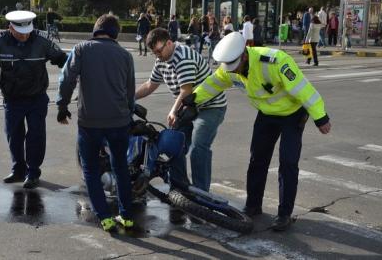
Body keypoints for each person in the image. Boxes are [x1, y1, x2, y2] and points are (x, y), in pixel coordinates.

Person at [192, 32, 331, 231]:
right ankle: (253, 205)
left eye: (236, 66)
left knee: (288, 162)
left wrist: (320, 117)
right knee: (257, 159)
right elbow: (212, 85)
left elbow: (304, 89)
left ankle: (284, 214)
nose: (235, 71)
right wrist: (192, 100)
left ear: (245, 55)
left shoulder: (275, 61)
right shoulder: (230, 68)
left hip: (292, 114)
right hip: (266, 115)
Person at [56, 14, 135, 232]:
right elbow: (130, 93)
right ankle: (127, 216)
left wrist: (62, 107)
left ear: (95, 29)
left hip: (90, 122)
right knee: (121, 167)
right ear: (115, 33)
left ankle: (105, 217)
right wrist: (128, 116)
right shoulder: (125, 55)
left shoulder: (82, 49)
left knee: (90, 169)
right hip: (119, 122)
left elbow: (67, 79)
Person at [135, 27, 227, 192]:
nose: (158, 56)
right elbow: (150, 85)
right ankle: (181, 188)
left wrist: (173, 111)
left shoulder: (182, 57)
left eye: (159, 51)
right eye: (155, 53)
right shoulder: (161, 60)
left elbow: (186, 90)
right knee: (173, 145)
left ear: (169, 43)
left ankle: (201, 193)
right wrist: (130, 98)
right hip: (187, 107)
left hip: (210, 106)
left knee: (199, 147)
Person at [0, 10, 67, 189]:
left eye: (27, 31)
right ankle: (18, 169)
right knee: (13, 135)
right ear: (10, 28)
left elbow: (62, 60)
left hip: (37, 98)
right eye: (20, 33)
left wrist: (78, 71)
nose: (24, 36)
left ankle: (33, 172)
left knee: (36, 135)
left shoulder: (42, 41)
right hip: (12, 99)